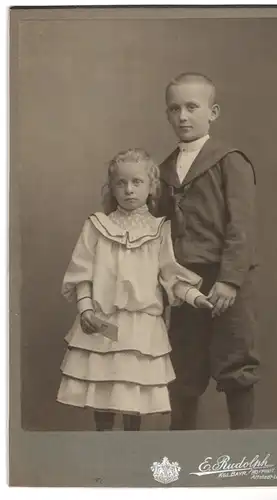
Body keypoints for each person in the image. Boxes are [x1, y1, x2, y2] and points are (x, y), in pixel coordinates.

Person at [57, 148, 212, 431]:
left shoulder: (159, 229)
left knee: (132, 395)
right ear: (111, 187)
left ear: (151, 186)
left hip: (141, 325)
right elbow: (83, 273)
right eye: (121, 183)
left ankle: (130, 452)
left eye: (137, 182)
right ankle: (105, 453)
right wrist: (86, 308)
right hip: (103, 321)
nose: (129, 190)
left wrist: (195, 296)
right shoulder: (96, 226)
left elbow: (170, 275)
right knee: (103, 391)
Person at [157, 72, 260, 430]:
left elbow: (241, 227)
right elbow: (156, 228)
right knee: (183, 366)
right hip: (185, 283)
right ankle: (181, 453)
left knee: (236, 362)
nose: (183, 116)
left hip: (224, 278)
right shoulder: (164, 169)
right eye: (175, 109)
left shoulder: (229, 160)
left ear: (212, 112)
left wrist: (230, 281)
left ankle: (242, 451)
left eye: (192, 107)